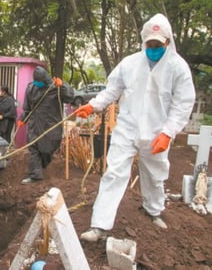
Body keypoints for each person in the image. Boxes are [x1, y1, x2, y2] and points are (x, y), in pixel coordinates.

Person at [74, 13, 196, 242]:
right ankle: (99, 225)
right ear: (143, 42)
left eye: (158, 45)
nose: (153, 48)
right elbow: (112, 90)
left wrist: (168, 132)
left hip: (157, 133)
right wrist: (93, 106)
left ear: (168, 42)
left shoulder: (178, 68)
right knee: (114, 173)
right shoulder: (129, 64)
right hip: (128, 129)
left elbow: (183, 104)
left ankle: (153, 210)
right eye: (149, 44)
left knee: (154, 175)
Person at [18, 66, 74, 184]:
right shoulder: (31, 88)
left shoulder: (55, 88)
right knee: (33, 148)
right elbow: (27, 108)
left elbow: (69, 97)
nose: (37, 83)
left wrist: (62, 85)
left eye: (39, 81)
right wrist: (23, 119)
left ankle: (43, 166)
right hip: (34, 124)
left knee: (47, 149)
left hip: (50, 125)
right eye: (36, 81)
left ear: (45, 79)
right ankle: (35, 175)